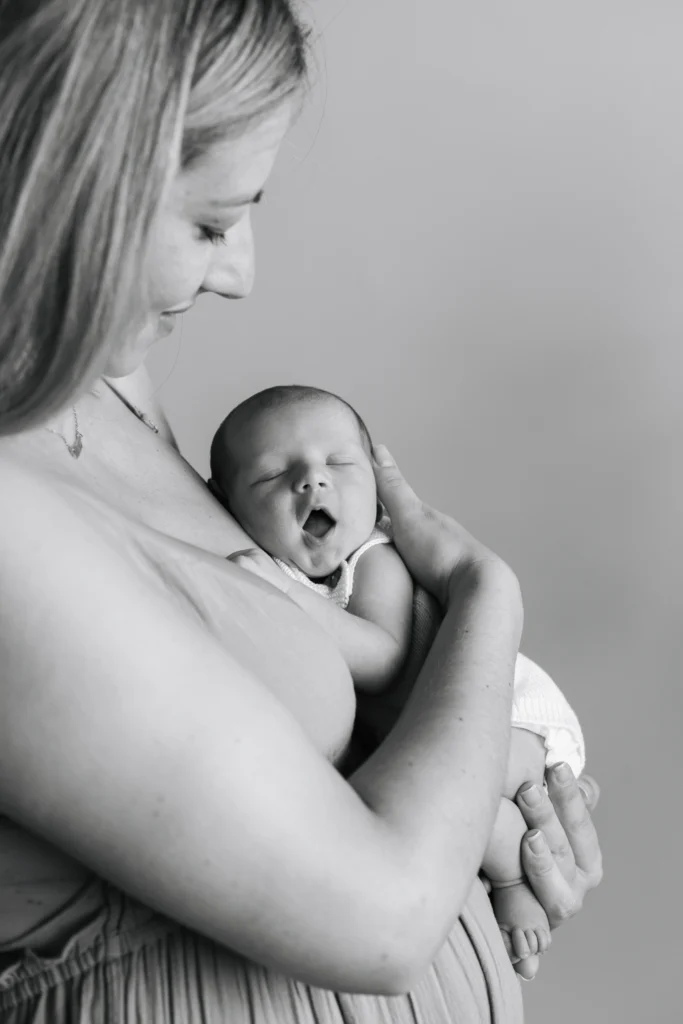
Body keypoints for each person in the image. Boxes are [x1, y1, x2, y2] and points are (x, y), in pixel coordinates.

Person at [0, 2, 602, 1021]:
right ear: (67, 181)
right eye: (209, 223)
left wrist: (500, 807)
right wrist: (484, 597)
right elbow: (385, 919)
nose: (240, 274)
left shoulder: (104, 382)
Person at [208, 383, 587, 967]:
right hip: (431, 728)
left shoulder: (372, 559)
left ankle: (514, 880)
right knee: (443, 801)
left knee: (473, 796)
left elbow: (383, 657)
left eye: (339, 463)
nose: (312, 481)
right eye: (271, 475)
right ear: (226, 502)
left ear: (377, 483)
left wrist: (284, 594)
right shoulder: (286, 570)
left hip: (508, 712)